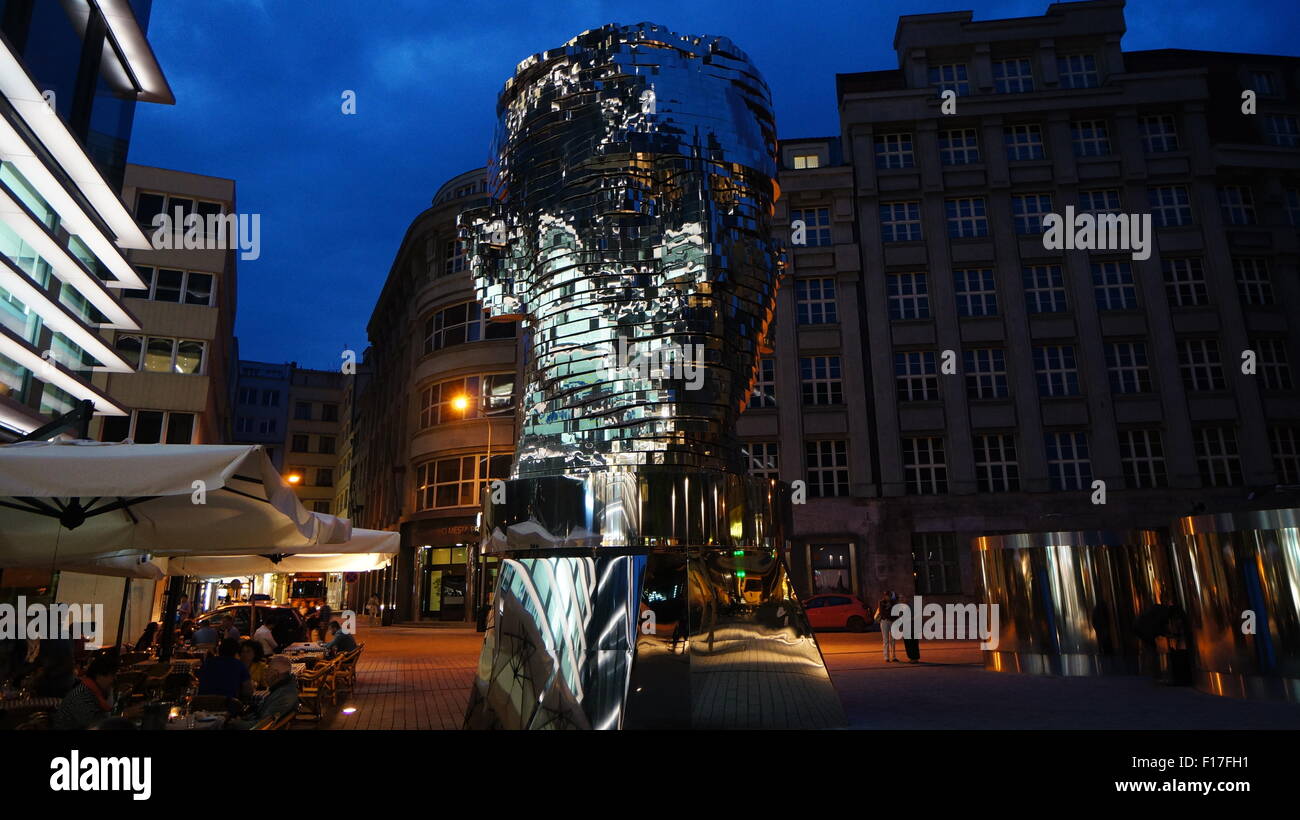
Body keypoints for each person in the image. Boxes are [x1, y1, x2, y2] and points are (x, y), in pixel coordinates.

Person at [228, 656, 298, 729]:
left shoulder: (284, 695)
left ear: (275, 674)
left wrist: (236, 723)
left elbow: (260, 725)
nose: (265, 674)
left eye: (268, 670)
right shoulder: (285, 689)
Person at [54, 655, 120, 729]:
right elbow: (98, 726)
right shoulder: (82, 697)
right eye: (112, 675)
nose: (114, 679)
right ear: (99, 675)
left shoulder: (95, 690)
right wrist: (124, 715)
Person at [875, 590, 900, 663]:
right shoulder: (881, 602)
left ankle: (894, 656)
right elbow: (882, 613)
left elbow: (896, 612)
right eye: (886, 595)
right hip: (884, 621)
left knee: (893, 640)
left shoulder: (894, 603)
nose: (887, 597)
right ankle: (886, 657)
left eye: (889, 595)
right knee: (885, 640)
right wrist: (889, 610)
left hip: (892, 622)